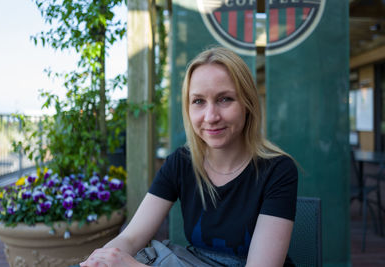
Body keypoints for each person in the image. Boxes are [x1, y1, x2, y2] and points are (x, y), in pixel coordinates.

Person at [80, 46, 298, 267]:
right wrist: (101, 261)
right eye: (198, 101)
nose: (211, 116)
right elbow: (131, 237)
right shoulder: (181, 162)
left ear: (248, 104)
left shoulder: (278, 170)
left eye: (225, 99)